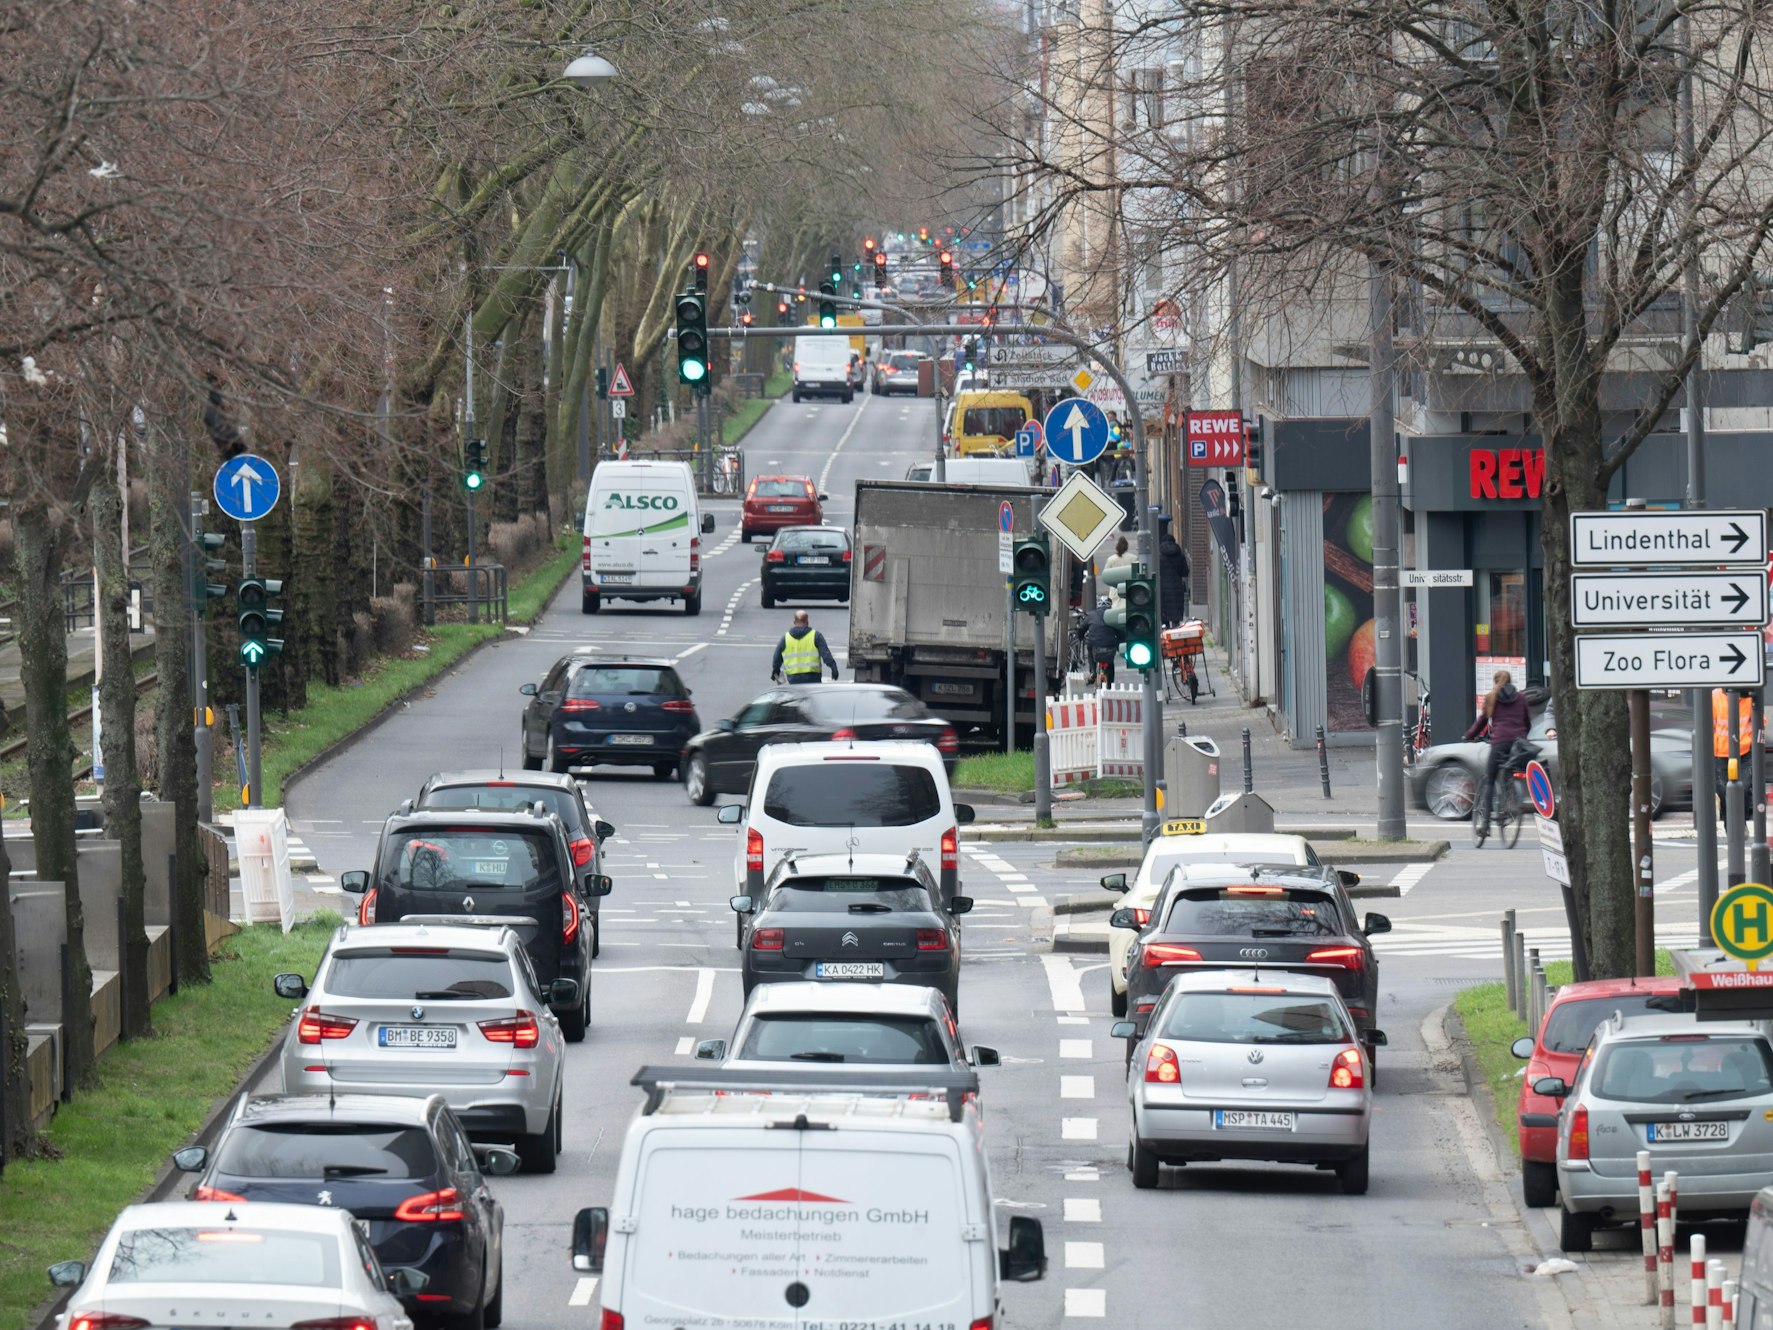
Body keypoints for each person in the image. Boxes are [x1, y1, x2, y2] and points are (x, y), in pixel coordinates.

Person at [1464, 669, 1532, 836]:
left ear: (1495, 682)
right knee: (1510, 771)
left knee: (1489, 780)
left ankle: (1485, 825)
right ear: (1511, 681)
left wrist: (1469, 735)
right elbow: (1527, 723)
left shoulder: (1491, 697)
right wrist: (1523, 736)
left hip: (1500, 742)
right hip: (1518, 744)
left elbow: (1482, 722)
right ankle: (1509, 803)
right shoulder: (1521, 698)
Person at [1712, 688, 1755, 820]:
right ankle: (1728, 824)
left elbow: (1759, 721)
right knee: (1723, 792)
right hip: (1721, 754)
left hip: (1744, 751)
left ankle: (1742, 822)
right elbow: (1709, 725)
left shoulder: (1749, 696)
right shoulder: (1715, 696)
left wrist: (1749, 738)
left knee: (1744, 788)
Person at [772, 609, 840, 684]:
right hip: (813, 677)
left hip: (793, 678)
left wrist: (775, 670)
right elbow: (826, 655)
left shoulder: (786, 638)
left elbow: (777, 657)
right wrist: (833, 668)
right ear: (807, 622)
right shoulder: (816, 636)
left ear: (794, 622)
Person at [1084, 595, 1119, 685]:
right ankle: (1110, 683)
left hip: (1094, 644)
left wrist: (1080, 636)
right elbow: (1120, 632)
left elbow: (1082, 628)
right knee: (1110, 662)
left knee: (1090, 652)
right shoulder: (1114, 615)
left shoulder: (1091, 615)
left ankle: (1093, 672)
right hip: (1109, 645)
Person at [1158, 529, 1190, 626]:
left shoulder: (1159, 556)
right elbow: (1185, 572)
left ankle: (1165, 631)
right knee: (1176, 619)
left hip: (1163, 590)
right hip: (1177, 590)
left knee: (1164, 621)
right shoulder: (1179, 555)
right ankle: (1176, 632)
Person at [1100, 535, 1133, 607]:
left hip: (1115, 593)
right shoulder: (1133, 558)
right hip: (1131, 591)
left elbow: (1106, 576)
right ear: (1127, 546)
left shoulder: (1111, 559)